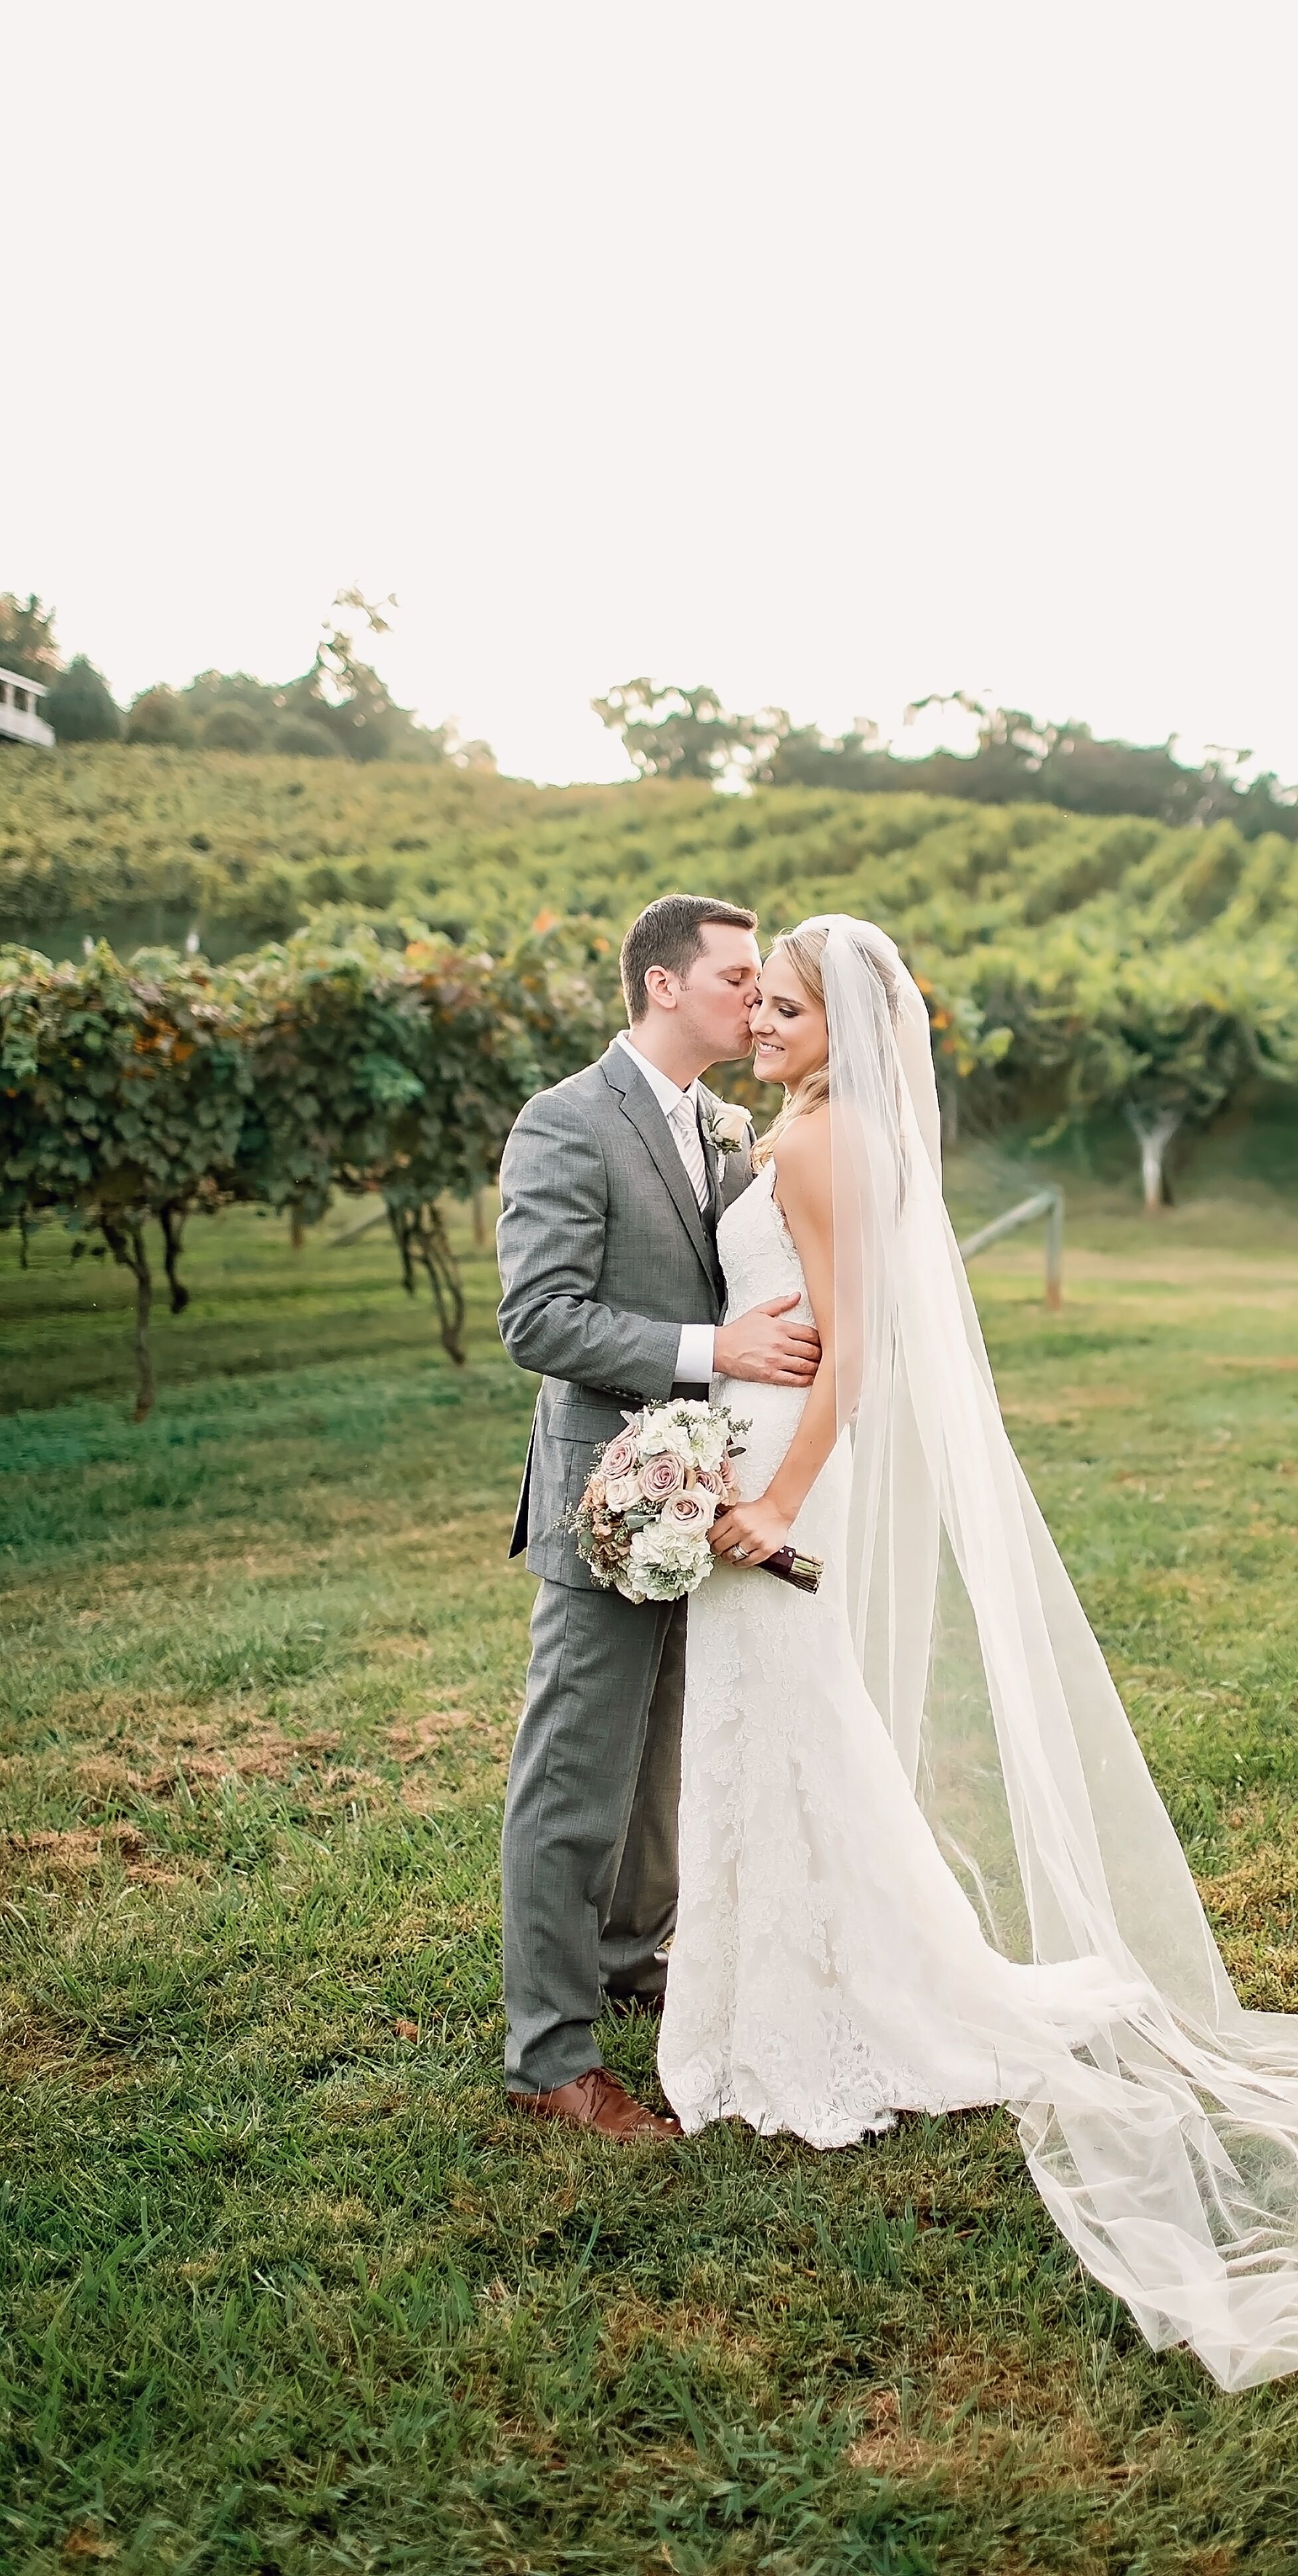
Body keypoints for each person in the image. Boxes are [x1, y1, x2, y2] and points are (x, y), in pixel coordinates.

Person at [653, 912, 1298, 2391]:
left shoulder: (818, 1143)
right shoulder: (821, 1126)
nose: (765, 1026)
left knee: (794, 1734)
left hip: (782, 1479)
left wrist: (771, 1503)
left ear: (848, 1028)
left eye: (791, 1011)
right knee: (799, 1735)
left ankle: (819, 2016)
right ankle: (819, 1988)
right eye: (765, 1006)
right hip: (758, 1446)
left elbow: (854, 1353)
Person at [494, 892, 822, 2140]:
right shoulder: (567, 1122)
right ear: (662, 986)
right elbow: (540, 1317)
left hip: (704, 1490)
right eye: (739, 977)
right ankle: (549, 2060)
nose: (758, 998)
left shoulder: (716, 1123)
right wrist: (710, 1348)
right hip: (608, 1492)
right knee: (575, 1776)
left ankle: (632, 1963)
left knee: (661, 1771)